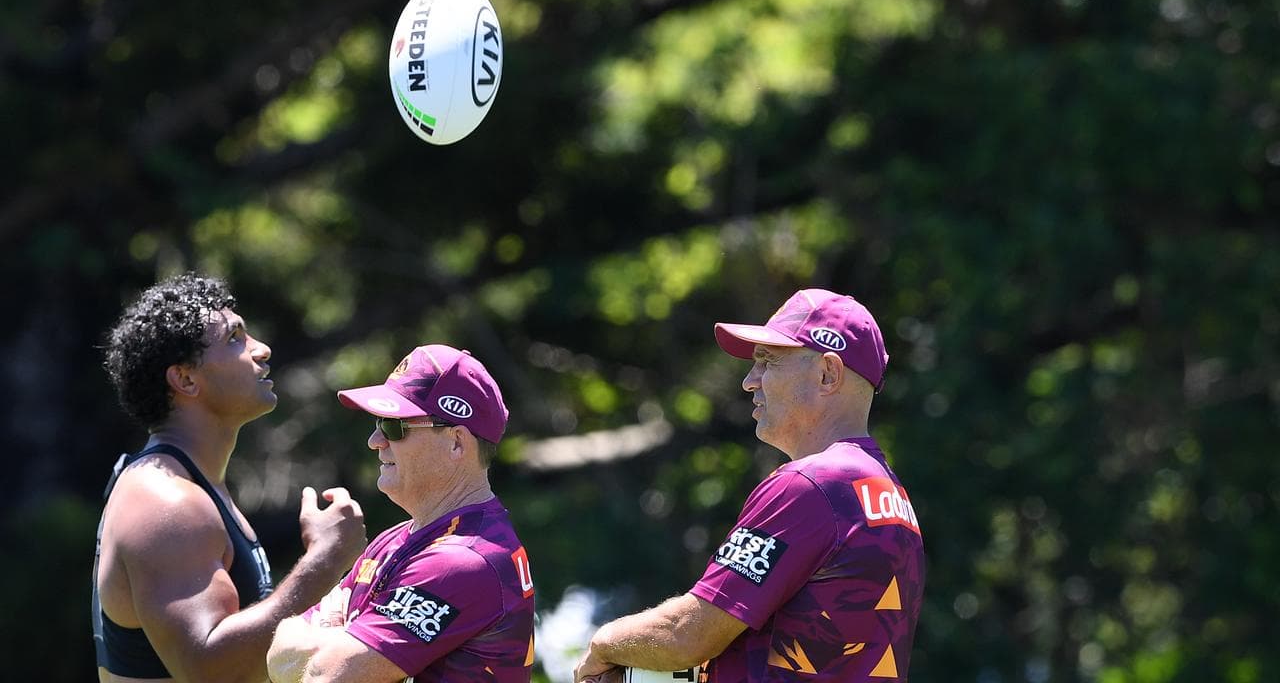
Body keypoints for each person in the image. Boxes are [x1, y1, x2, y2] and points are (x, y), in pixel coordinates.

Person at [575, 288, 925, 682]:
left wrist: (603, 644)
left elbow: (689, 634)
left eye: (768, 361)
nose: (748, 381)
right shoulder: (889, 495)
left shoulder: (812, 485)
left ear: (828, 373)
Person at [93, 272, 368, 683]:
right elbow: (210, 671)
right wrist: (324, 561)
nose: (262, 349)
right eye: (236, 338)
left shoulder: (194, 484)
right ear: (185, 379)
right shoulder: (168, 503)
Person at [266, 344, 537, 683]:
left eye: (396, 426)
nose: (375, 440)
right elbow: (280, 657)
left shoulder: (461, 561)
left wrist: (332, 636)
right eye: (380, 421)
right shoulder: (396, 539)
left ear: (456, 442)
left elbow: (323, 675)